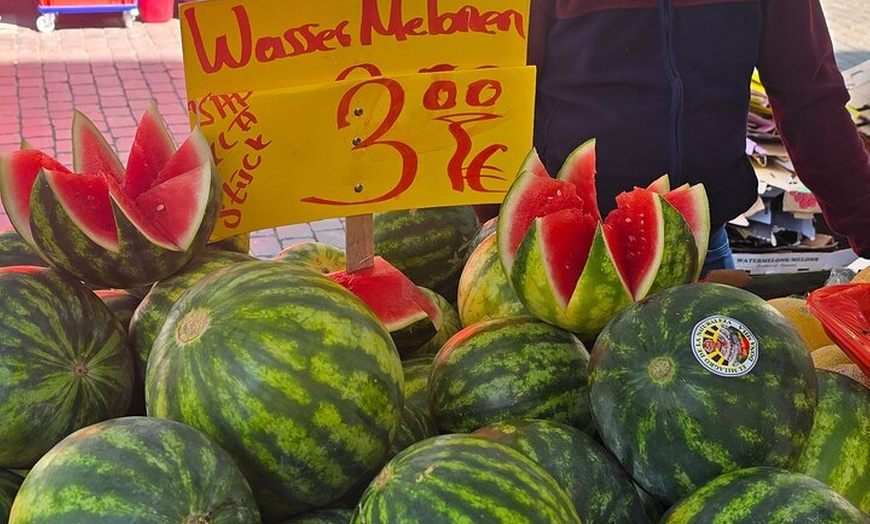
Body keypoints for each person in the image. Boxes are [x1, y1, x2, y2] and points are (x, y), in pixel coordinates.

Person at [479, 0, 870, 276]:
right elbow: (497, 99)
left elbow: (811, 101)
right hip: (565, 250)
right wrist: (481, 239)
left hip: (704, 247)